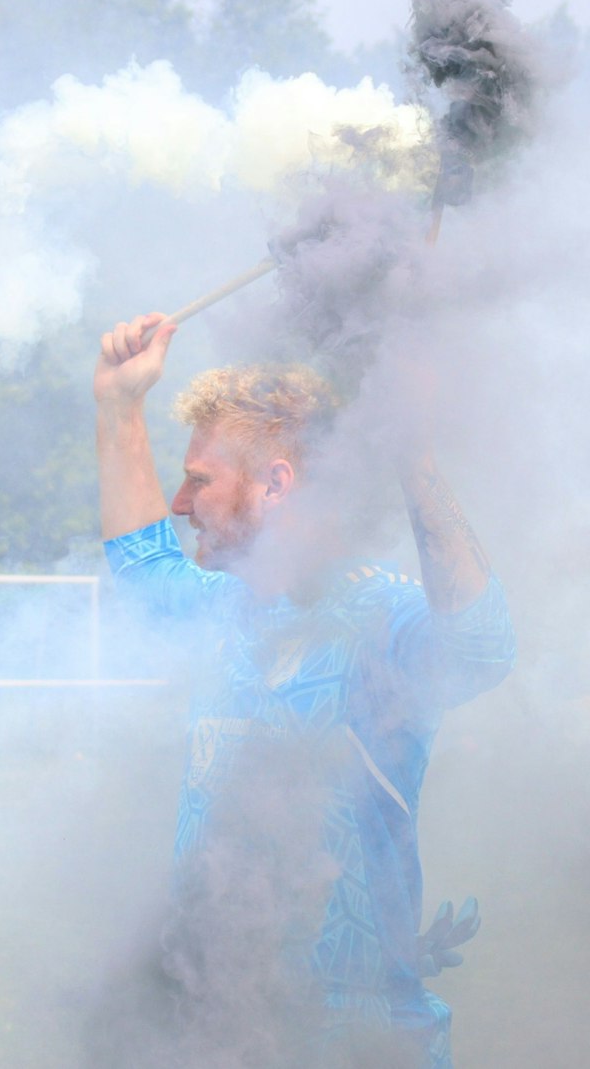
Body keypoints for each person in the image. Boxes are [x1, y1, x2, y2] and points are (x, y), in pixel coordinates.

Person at [93, 313, 514, 1066]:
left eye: (199, 480)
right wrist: (119, 405)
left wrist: (410, 449)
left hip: (355, 1041)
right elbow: (144, 563)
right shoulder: (224, 604)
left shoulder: (381, 617)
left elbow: (482, 645)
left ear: (276, 484)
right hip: (222, 1022)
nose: (181, 503)